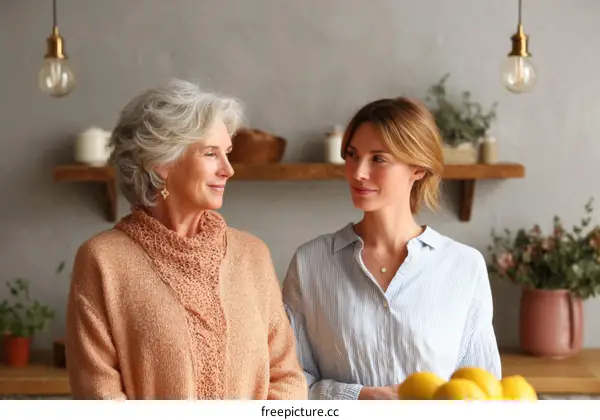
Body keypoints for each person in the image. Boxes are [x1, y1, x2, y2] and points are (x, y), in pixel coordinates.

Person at [65, 79, 308, 400]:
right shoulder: (102, 260)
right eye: (210, 153)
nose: (228, 170)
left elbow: (286, 376)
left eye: (227, 153)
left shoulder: (252, 254)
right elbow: (99, 395)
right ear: (161, 162)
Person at [281, 97, 501, 400]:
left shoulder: (464, 266)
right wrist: (358, 398)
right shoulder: (310, 262)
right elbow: (287, 382)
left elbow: (484, 389)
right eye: (352, 155)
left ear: (419, 168)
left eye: (378, 159)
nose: (358, 172)